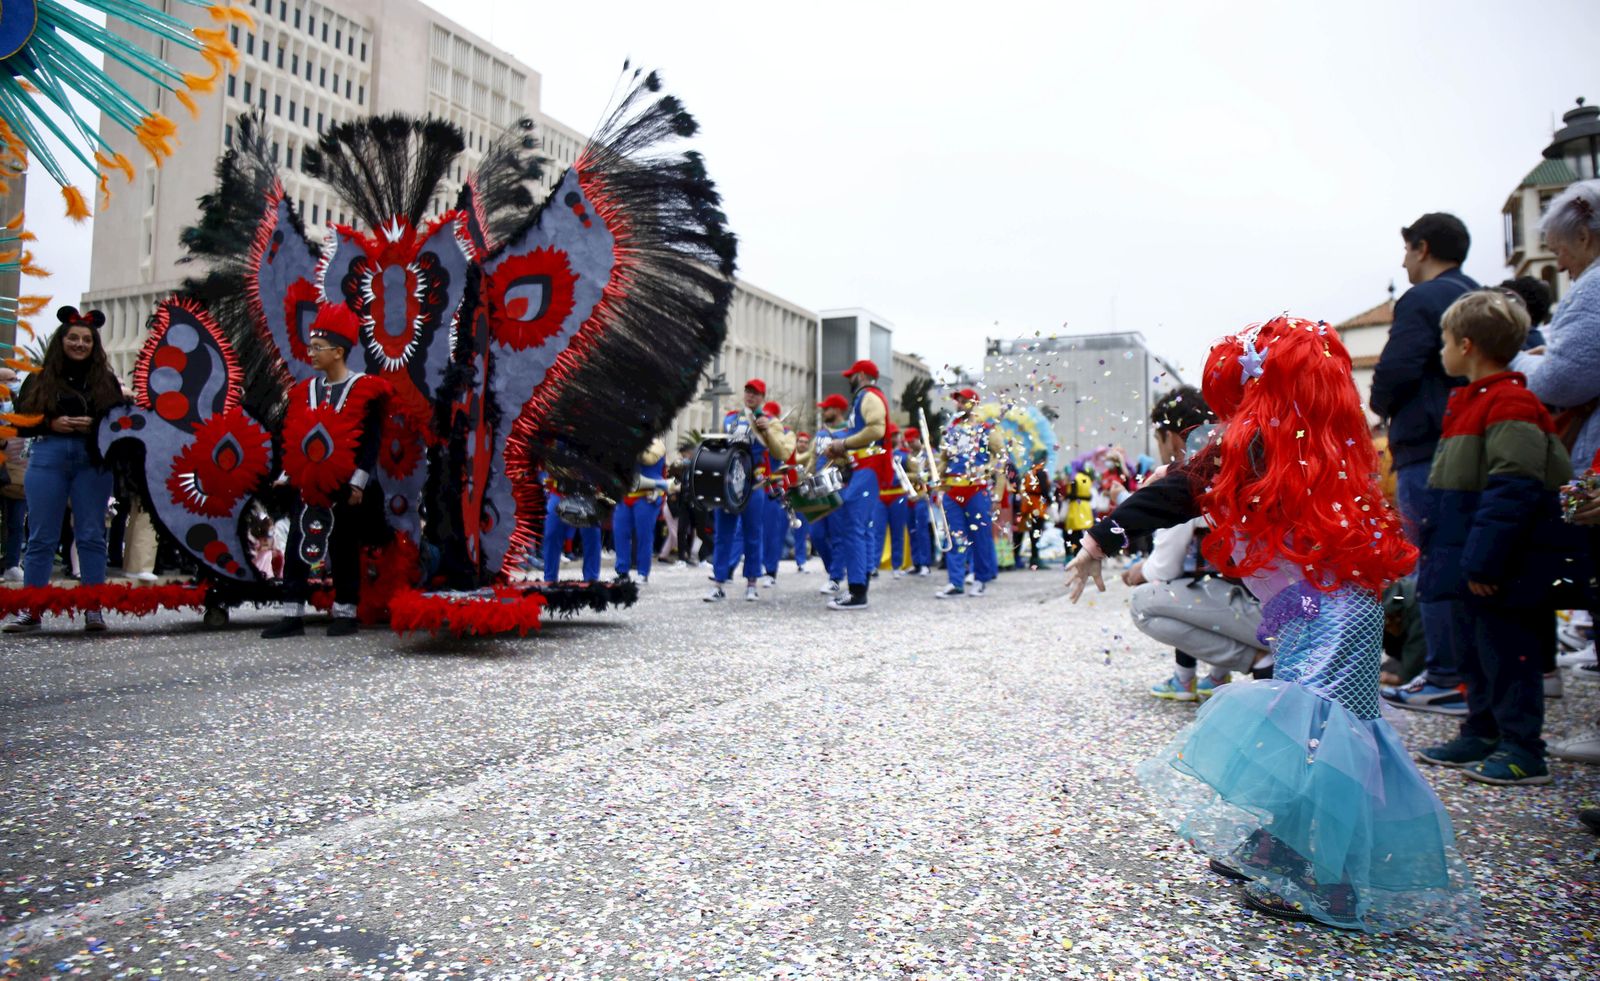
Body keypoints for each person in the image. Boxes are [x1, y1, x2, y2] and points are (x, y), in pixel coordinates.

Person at [1068, 317, 1481, 935]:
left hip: (1330, 618)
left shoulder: (1264, 442)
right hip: (1320, 614)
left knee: (1323, 737)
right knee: (1314, 735)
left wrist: (1101, 538)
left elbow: (1183, 488)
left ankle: (1331, 882)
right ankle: (1283, 846)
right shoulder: (1306, 446)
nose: (1229, 414)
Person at [1409, 289, 1571, 785]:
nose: (1441, 352)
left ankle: (1524, 747)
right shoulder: (1473, 402)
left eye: (1443, 342)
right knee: (1475, 650)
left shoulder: (1510, 403)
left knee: (1510, 653)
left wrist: (1485, 562)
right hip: (1470, 558)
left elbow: (1512, 487)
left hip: (1501, 565)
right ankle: (1482, 728)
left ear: (1467, 344)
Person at [1370, 212, 1479, 713]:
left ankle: (1444, 675)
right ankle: (1470, 676)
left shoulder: (1422, 300)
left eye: (1407, 249)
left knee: (1432, 561)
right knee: (1472, 557)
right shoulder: (1480, 294)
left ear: (1423, 247)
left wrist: (1383, 404)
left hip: (1428, 446)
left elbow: (1396, 367)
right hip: (1474, 441)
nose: (1403, 260)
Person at [1128, 386, 1270, 701]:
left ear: (1174, 437)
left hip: (1258, 614)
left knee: (1144, 602)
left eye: (1159, 439)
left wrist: (1138, 570)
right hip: (1289, 606)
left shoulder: (1190, 478)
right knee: (1195, 583)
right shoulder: (1232, 463)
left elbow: (1164, 568)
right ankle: (1217, 674)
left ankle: (1258, 660)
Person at [261, 305, 391, 639]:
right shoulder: (305, 392)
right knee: (297, 544)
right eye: (311, 346)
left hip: (345, 485)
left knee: (343, 545)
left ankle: (346, 611)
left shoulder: (365, 390)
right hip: (307, 483)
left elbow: (371, 443)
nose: (312, 353)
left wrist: (358, 483)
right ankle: (292, 613)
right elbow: (295, 437)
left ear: (338, 351)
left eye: (318, 347)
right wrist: (288, 475)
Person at [4, 307, 123, 634]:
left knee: (91, 535)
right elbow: (21, 423)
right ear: (62, 340)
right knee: (41, 536)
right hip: (48, 456)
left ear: (94, 345)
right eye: (74, 338)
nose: (80, 344)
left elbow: (121, 424)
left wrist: (95, 424)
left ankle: (93, 608)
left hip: (92, 460)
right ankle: (32, 609)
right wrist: (50, 422)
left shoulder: (106, 381)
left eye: (86, 339)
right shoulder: (40, 378)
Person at [707, 379, 793, 602]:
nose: (750, 396)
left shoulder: (771, 421)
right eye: (747, 392)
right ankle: (718, 582)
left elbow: (780, 452)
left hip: (753, 484)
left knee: (753, 535)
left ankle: (752, 583)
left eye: (755, 394)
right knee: (723, 534)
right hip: (728, 484)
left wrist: (767, 431)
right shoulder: (730, 418)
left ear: (762, 397)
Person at [821, 360, 890, 610]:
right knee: (856, 528)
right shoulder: (864, 398)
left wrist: (844, 444)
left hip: (868, 470)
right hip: (863, 470)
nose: (848, 379)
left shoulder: (869, 396)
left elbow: (877, 429)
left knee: (854, 527)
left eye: (851, 375)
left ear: (860, 375)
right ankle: (858, 588)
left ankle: (858, 592)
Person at [935, 388, 1005, 598]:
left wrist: (997, 494)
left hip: (977, 490)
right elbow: (944, 460)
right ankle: (955, 582)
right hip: (953, 490)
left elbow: (1001, 459)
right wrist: (937, 482)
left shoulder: (987, 429)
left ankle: (980, 579)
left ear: (973, 403)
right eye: (957, 401)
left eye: (963, 401)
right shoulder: (951, 430)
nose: (958, 404)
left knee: (980, 537)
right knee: (955, 537)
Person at [807, 394, 852, 595]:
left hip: (838, 486)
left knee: (837, 534)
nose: (824, 412)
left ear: (837, 410)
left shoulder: (848, 433)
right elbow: (812, 457)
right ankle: (835, 569)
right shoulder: (820, 433)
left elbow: (852, 460)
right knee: (816, 535)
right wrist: (806, 476)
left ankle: (835, 578)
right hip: (818, 488)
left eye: (827, 408)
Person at [615, 437, 669, 583]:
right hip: (625, 494)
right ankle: (622, 571)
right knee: (620, 533)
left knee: (644, 535)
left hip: (646, 495)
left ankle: (643, 572)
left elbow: (648, 459)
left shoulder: (657, 445)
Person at [758, 400, 792, 587]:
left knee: (772, 532)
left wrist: (770, 434)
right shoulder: (756, 435)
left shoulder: (786, 434)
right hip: (755, 486)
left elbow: (783, 455)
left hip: (773, 488)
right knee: (750, 530)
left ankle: (770, 571)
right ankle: (735, 569)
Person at [1, 365, 27, 582]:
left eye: (16, 378)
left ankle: (11, 563)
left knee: (16, 523)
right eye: (10, 379)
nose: (14, 382)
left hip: (18, 477)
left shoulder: (22, 408)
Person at [874, 422, 911, 576]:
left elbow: (915, 473)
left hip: (898, 494)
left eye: (895, 435)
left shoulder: (905, 454)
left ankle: (897, 566)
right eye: (891, 435)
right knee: (878, 531)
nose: (893, 437)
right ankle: (873, 565)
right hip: (881, 495)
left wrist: (904, 476)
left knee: (898, 532)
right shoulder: (877, 453)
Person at [902, 427, 934, 575]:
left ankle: (925, 563)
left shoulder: (929, 454)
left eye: (912, 441)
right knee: (912, 530)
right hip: (910, 496)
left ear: (917, 438)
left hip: (923, 496)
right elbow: (906, 475)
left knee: (922, 531)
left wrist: (914, 476)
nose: (909, 445)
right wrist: (915, 476)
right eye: (908, 442)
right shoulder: (907, 457)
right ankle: (916, 562)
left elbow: (930, 475)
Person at [1013, 453, 1052, 570]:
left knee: (1021, 531)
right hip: (1036, 504)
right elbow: (1044, 489)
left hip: (1026, 504)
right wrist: (1049, 501)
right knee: (1036, 532)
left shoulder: (1028, 472)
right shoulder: (1041, 472)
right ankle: (1035, 559)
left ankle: (1015, 557)